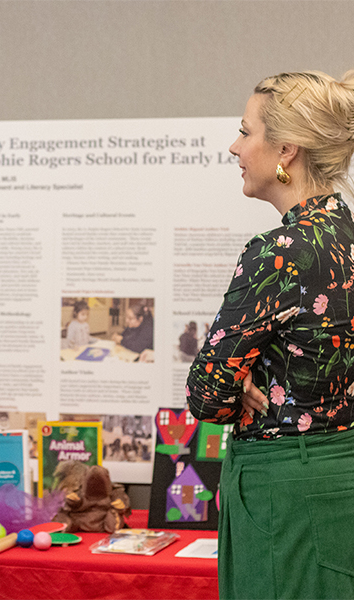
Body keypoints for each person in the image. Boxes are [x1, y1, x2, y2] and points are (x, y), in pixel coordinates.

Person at [186, 70, 354, 599]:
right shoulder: (346, 235)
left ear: (286, 149)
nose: (235, 147)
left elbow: (207, 393)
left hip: (285, 488)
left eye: (245, 131)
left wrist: (236, 385)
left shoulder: (281, 250)